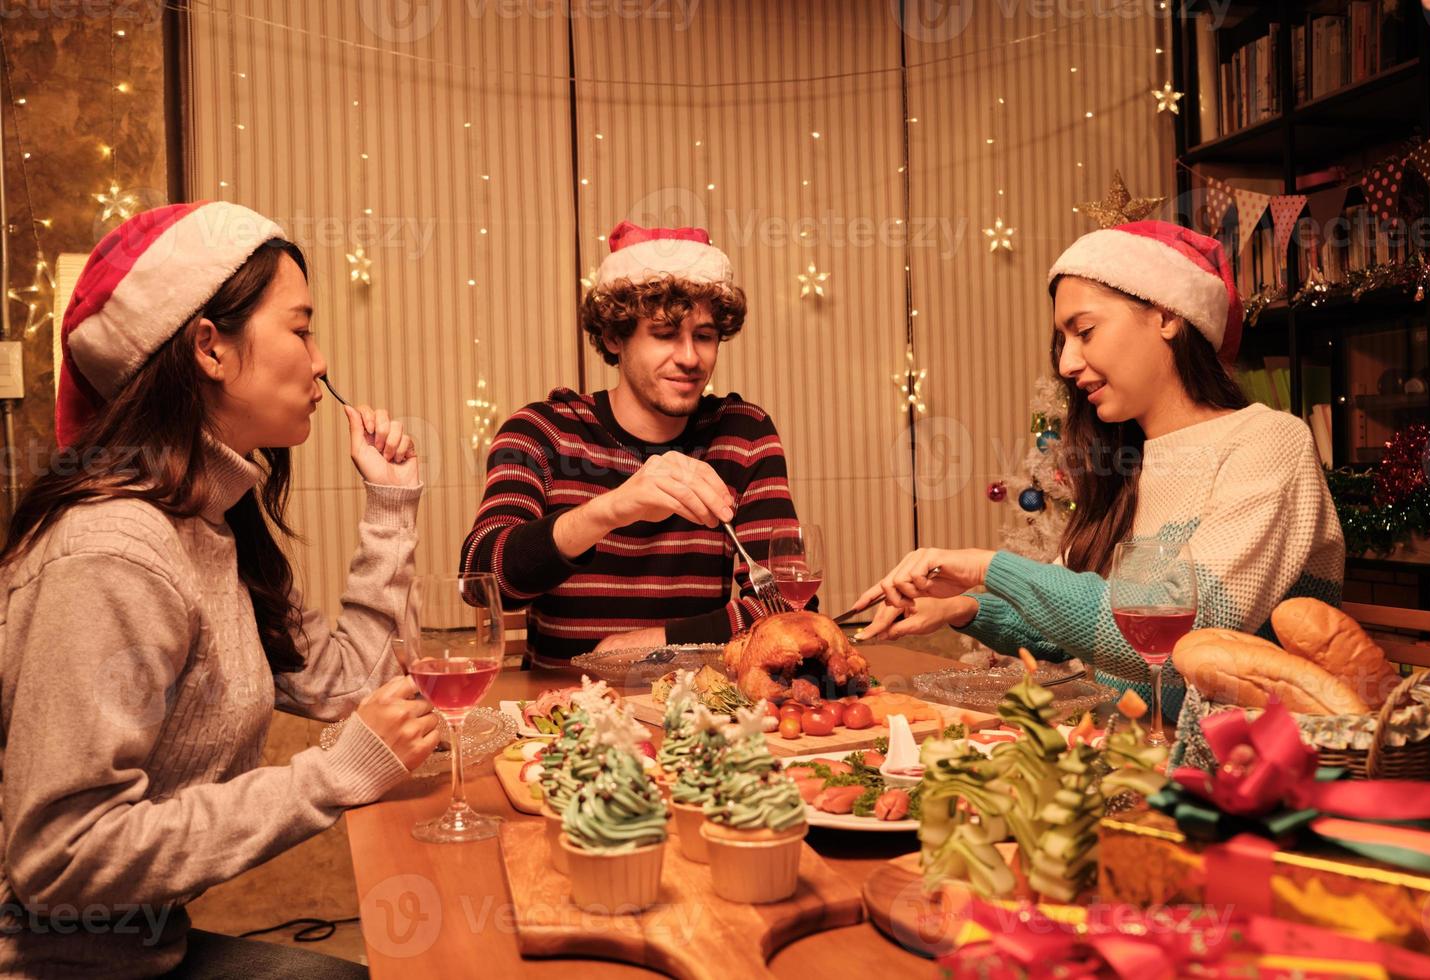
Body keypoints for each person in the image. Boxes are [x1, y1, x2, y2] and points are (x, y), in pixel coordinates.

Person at [0, 202, 433, 978]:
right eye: (300, 329)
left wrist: (391, 508)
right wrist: (330, 778)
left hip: (146, 952)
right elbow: (60, 858)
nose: (321, 360)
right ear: (210, 347)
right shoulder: (115, 552)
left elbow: (348, 686)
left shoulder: (214, 525)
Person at [855, 221, 1345, 728]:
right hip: (1127, 749)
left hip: (1233, 770)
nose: (1067, 362)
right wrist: (961, 610)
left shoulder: (1267, 443)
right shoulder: (1130, 462)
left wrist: (988, 566)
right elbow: (1076, 620)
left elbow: (1180, 636)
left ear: (1167, 316)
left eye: (1084, 331)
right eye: (1062, 342)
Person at [460, 221, 806, 663]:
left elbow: (787, 605)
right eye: (664, 334)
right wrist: (612, 509)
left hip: (704, 711)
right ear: (613, 337)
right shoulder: (542, 432)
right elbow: (482, 577)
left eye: (703, 336)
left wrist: (649, 644)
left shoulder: (743, 434)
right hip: (564, 716)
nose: (689, 358)